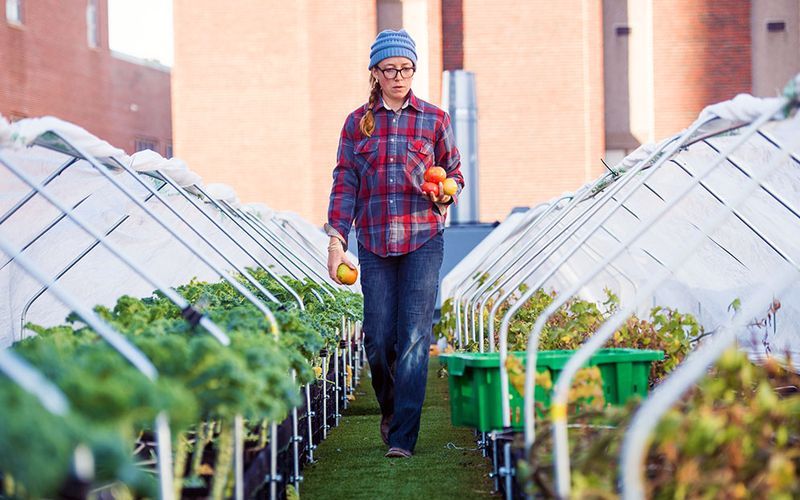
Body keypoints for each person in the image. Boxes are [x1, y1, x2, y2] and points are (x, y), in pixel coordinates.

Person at [325, 29, 464, 458]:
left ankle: (403, 437)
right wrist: (335, 240)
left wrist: (446, 191)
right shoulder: (356, 123)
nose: (399, 77)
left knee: (416, 336)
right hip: (375, 242)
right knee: (379, 336)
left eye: (406, 69)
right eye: (390, 70)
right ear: (376, 74)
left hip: (423, 238)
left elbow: (455, 174)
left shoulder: (434, 119)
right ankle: (391, 407)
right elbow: (345, 181)